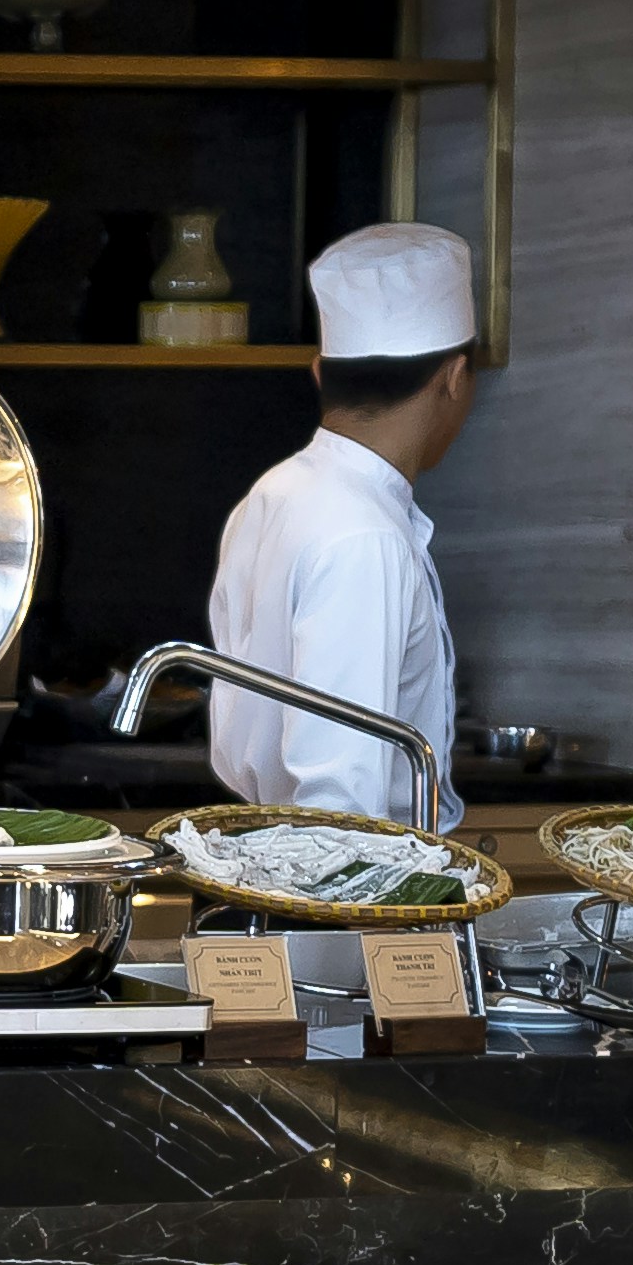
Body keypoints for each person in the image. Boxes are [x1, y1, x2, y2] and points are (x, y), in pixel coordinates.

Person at [205, 218, 476, 828]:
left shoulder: (274, 492)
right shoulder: (365, 535)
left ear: (319, 371)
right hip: (337, 898)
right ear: (455, 380)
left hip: (270, 860)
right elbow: (340, 801)